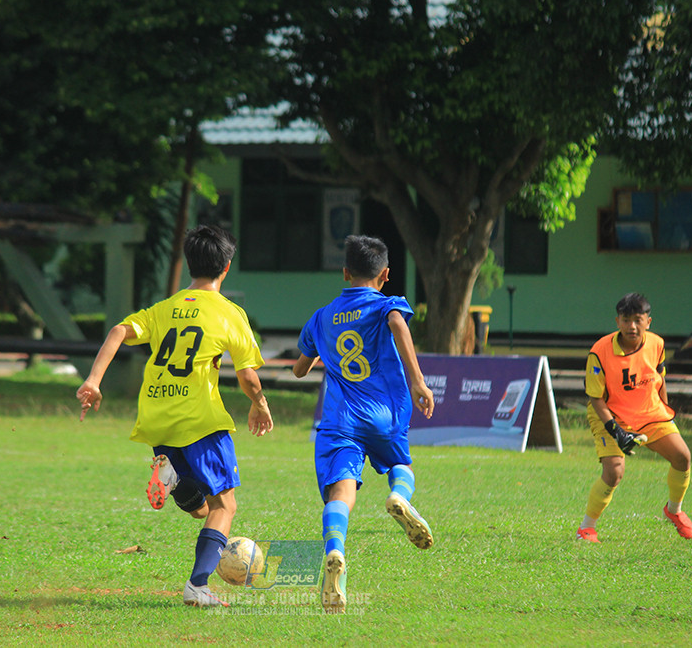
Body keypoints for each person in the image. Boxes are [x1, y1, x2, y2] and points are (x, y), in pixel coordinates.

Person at [76, 224, 273, 608]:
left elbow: (118, 330)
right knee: (225, 506)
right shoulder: (230, 313)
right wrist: (260, 403)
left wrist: (93, 380)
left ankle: (172, 475)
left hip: (156, 414)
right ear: (226, 267)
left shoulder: (164, 309)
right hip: (199, 420)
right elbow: (248, 377)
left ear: (188, 265)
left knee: (202, 508)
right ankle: (198, 585)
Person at [292, 235, 435, 614]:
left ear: (344, 273)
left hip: (340, 421)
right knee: (400, 466)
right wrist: (419, 380)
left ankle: (335, 548)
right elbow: (397, 324)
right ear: (385, 274)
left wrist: (321, 351)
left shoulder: (321, 317)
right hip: (385, 413)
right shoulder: (388, 304)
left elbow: (299, 369)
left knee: (340, 490)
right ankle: (400, 496)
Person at [576, 292, 692, 543]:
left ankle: (674, 511)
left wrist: (664, 411)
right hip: (610, 414)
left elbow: (659, 376)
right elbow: (596, 398)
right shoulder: (599, 351)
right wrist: (616, 430)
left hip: (649, 411)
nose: (632, 326)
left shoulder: (657, 344)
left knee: (682, 457)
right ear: (617, 321)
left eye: (638, 320)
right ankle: (587, 528)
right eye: (626, 319)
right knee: (614, 472)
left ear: (648, 322)